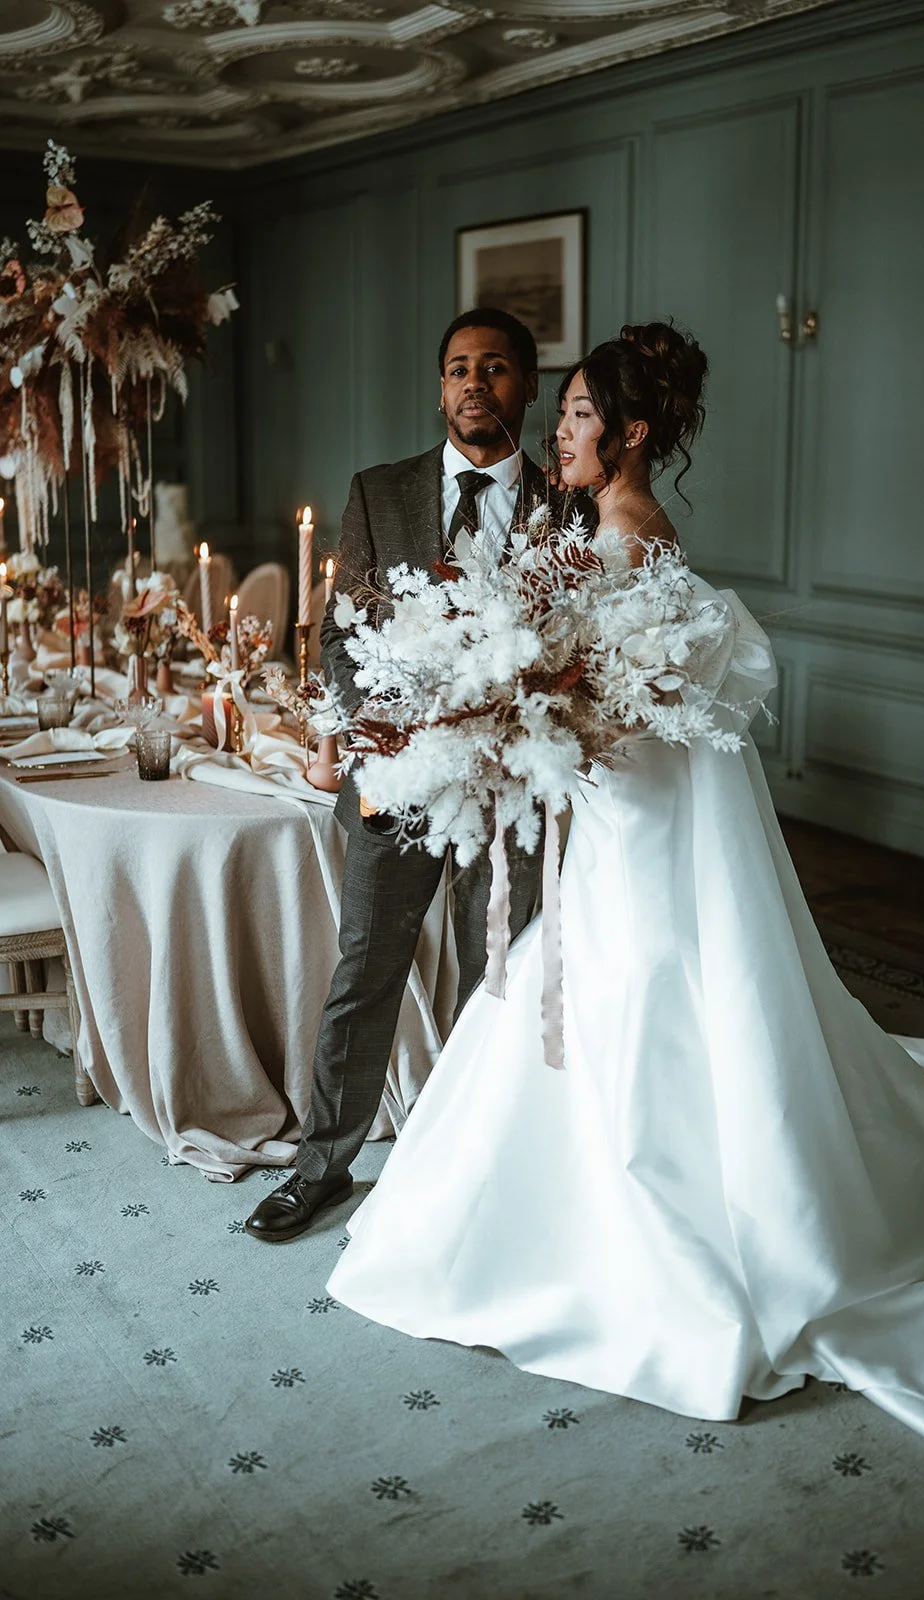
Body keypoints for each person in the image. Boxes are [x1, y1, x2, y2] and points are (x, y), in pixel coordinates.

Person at [325, 320, 924, 1465]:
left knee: (638, 995)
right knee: (592, 986)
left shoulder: (627, 537)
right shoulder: (605, 527)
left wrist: (526, 714)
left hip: (636, 823)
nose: (559, 431)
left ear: (626, 434)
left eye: (578, 414)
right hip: (620, 816)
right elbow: (606, 690)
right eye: (563, 412)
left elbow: (622, 709)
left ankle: (651, 1224)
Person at [246, 308, 579, 1243]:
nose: (475, 383)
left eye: (495, 367)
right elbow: (339, 633)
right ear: (440, 389)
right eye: (458, 368)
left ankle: (469, 1170)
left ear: (527, 386)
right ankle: (320, 1168)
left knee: (491, 976)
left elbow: (572, 649)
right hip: (395, 777)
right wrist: (387, 724)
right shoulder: (379, 490)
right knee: (365, 973)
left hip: (507, 786)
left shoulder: (566, 505)